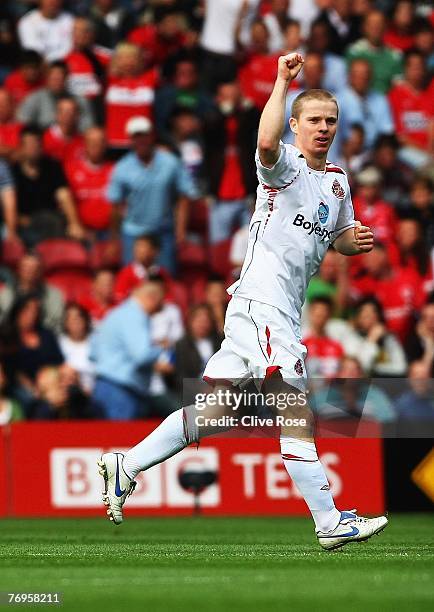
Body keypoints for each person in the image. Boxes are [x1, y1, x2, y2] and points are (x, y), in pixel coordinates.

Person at [98, 53, 388, 550]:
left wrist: (351, 241)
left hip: (272, 312)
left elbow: (335, 234)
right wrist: (280, 81)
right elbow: (265, 141)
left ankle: (125, 464)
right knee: (295, 410)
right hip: (262, 304)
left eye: (331, 121)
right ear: (296, 125)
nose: (323, 128)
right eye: (313, 120)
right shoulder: (283, 167)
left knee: (214, 411)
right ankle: (329, 520)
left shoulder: (337, 182)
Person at [107, 115, 197, 271]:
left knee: (165, 279)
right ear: (131, 139)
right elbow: (115, 203)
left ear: (152, 136)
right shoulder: (122, 167)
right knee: (133, 278)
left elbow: (185, 194)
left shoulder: (170, 162)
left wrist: (181, 229)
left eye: (145, 135)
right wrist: (115, 238)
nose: (141, 140)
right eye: (137, 136)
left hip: (163, 232)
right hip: (133, 232)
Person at [91, 281, 163, 420]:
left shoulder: (117, 313)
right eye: (159, 304)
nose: (160, 309)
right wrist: (160, 348)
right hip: (121, 391)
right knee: (121, 440)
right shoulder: (135, 315)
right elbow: (141, 356)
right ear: (151, 298)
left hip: (104, 386)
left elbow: (92, 353)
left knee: (107, 440)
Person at [12, 126, 85, 244]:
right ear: (21, 147)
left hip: (52, 221)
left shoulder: (53, 167)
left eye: (36, 144)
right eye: (29, 144)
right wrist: (25, 221)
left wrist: (74, 224)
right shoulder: (12, 172)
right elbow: (9, 208)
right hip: (25, 224)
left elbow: (64, 196)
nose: (33, 148)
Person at [17, 60, 94, 132]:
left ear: (66, 78)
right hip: (42, 142)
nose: (56, 82)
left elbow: (88, 127)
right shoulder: (34, 98)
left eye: (60, 78)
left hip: (72, 141)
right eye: (53, 78)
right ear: (47, 78)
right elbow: (22, 124)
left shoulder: (80, 101)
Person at [65, 127, 114, 236]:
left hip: (110, 233)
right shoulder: (71, 170)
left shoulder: (115, 170)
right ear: (85, 144)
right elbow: (65, 200)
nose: (95, 145)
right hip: (82, 233)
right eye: (91, 141)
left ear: (105, 145)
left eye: (99, 141)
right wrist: (75, 226)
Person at [0, 252, 64, 333]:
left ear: (40, 271)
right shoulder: (6, 293)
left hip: (42, 338)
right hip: (11, 338)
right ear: (19, 269)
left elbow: (57, 324)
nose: (29, 271)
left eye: (34, 267)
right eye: (26, 267)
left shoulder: (53, 295)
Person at [337, 58, 394, 149]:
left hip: (375, 152)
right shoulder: (337, 100)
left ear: (371, 77)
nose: (362, 78)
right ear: (350, 76)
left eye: (365, 74)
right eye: (358, 75)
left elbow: (386, 131)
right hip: (345, 152)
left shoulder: (380, 99)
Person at [346, 9, 403, 94]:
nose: (376, 28)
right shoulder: (354, 52)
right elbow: (346, 83)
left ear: (385, 27)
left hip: (385, 102)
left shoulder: (395, 55)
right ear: (364, 27)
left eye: (379, 24)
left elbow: (398, 88)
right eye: (371, 24)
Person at [58, 302, 94, 393]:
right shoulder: (59, 344)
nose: (75, 321)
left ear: (85, 320)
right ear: (65, 323)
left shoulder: (96, 341)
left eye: (78, 317)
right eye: (70, 318)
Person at [42, 96, 85, 166]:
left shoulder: (83, 141)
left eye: (71, 112)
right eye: (63, 112)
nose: (67, 116)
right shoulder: (44, 139)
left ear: (77, 116)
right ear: (57, 115)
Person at [0, 89, 23, 162]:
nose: (1, 108)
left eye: (5, 104)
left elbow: (25, 152)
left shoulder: (22, 128)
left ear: (12, 105)